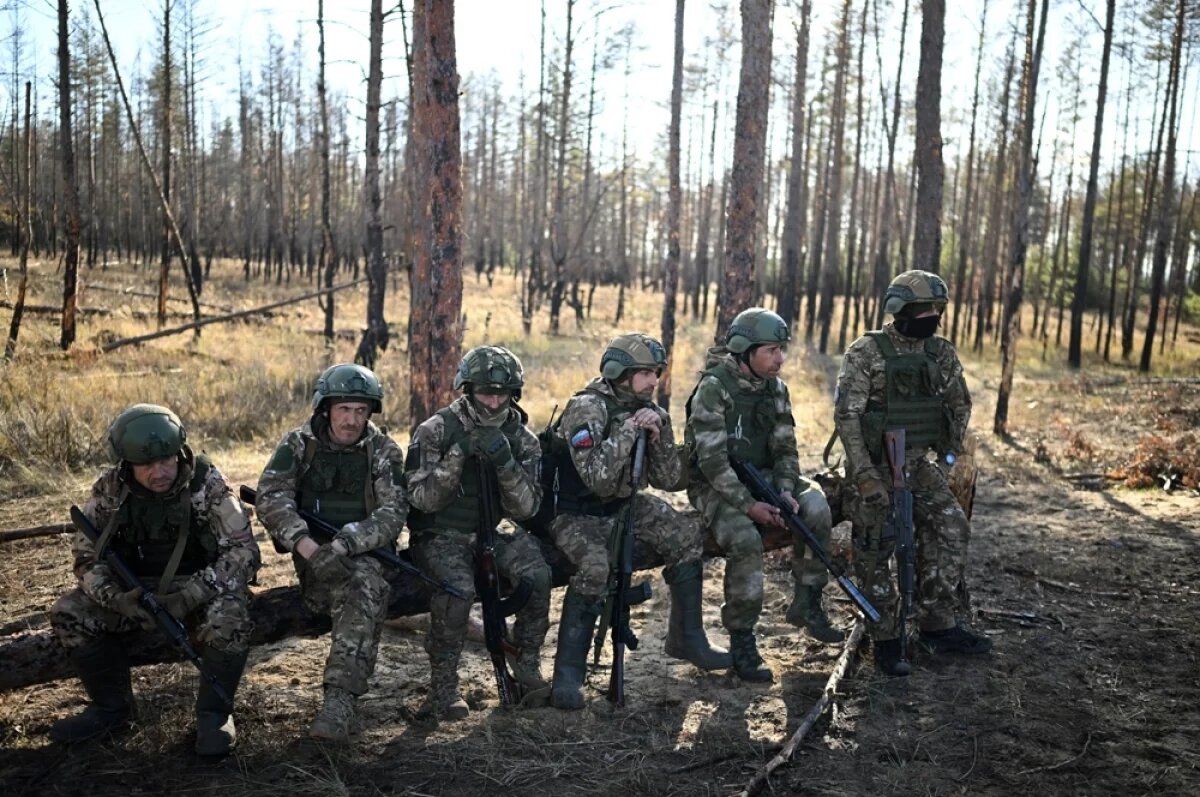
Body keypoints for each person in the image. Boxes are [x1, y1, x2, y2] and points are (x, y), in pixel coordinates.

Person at [49, 404, 260, 756]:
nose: (160, 472)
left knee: (231, 616)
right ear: (127, 464)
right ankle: (112, 710)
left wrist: (186, 598)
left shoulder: (205, 483)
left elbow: (244, 553)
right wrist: (117, 599)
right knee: (69, 612)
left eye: (167, 461)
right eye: (146, 465)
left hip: (197, 587)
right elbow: (86, 557)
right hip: (133, 591)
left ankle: (214, 714)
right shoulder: (110, 489)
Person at [548, 333, 730, 711]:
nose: (653, 382)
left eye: (656, 373)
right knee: (596, 566)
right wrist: (629, 429)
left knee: (683, 534)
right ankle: (568, 673)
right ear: (620, 372)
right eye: (645, 373)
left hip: (623, 503)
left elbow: (666, 479)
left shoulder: (649, 409)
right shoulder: (586, 407)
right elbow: (597, 478)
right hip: (575, 512)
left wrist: (658, 432)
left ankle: (687, 637)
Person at [834, 269, 991, 677]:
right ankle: (885, 636)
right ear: (899, 309)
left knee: (951, 525)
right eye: (925, 309)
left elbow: (959, 404)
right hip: (873, 466)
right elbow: (847, 417)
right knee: (876, 546)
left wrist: (951, 455)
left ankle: (937, 622)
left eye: (938, 310)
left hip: (918, 463)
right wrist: (865, 475)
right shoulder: (866, 352)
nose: (933, 317)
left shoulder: (940, 354)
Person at [685, 308, 841, 684]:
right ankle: (742, 638)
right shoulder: (714, 389)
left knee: (817, 504)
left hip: (765, 477)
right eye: (771, 350)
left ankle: (807, 600)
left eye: (781, 349)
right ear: (745, 350)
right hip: (715, 484)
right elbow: (711, 462)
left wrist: (785, 490)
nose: (780, 358)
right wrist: (749, 506)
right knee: (743, 537)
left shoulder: (777, 390)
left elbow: (786, 449)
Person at [255, 363, 407, 740]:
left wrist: (346, 543)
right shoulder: (297, 445)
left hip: (367, 556)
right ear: (326, 408)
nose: (352, 420)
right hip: (312, 557)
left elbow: (393, 513)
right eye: (344, 409)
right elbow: (271, 498)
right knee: (350, 585)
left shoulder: (384, 451)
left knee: (361, 586)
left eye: (360, 411)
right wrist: (308, 547)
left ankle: (339, 701)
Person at [405, 345, 551, 720]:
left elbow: (527, 508)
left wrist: (504, 462)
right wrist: (458, 455)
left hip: (495, 529)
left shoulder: (523, 439)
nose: (494, 401)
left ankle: (527, 663)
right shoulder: (436, 429)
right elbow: (422, 500)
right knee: (457, 590)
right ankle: (443, 688)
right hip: (442, 533)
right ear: (467, 390)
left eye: (502, 394)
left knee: (537, 575)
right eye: (486, 392)